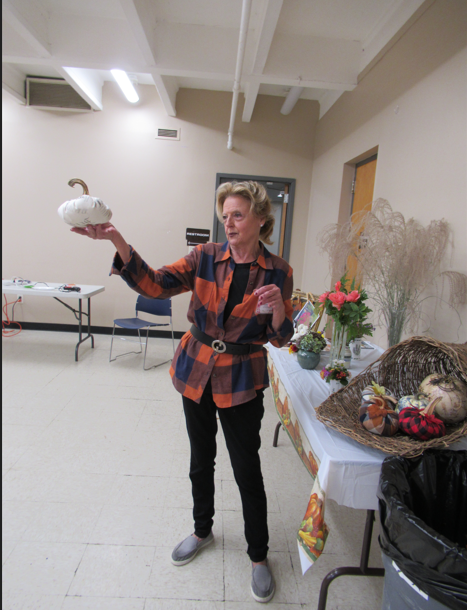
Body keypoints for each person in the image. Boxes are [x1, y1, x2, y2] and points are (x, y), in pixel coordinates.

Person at [71, 180, 294, 603]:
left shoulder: (278, 271)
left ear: (261, 219)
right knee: (200, 459)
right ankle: (202, 530)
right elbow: (155, 284)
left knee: (247, 469)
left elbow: (281, 338)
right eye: (225, 216)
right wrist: (116, 239)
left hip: (242, 378)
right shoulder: (205, 257)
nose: (229, 223)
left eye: (238, 215)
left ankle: (258, 555)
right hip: (197, 369)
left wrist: (281, 310)